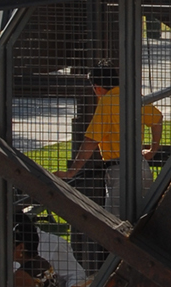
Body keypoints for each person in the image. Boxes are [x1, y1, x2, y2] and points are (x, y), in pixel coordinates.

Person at [60, 62, 163, 208]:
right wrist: (153, 149)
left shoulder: (106, 101)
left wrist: (72, 171)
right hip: (141, 167)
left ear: (97, 87)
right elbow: (157, 119)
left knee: (116, 224)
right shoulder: (133, 97)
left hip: (120, 171)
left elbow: (91, 140)